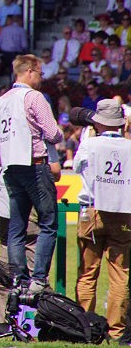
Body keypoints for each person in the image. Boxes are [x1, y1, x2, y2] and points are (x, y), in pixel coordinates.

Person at [0, 54, 63, 295]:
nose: (41, 78)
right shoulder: (34, 97)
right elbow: (52, 133)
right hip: (34, 164)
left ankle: (18, 278)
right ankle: (39, 278)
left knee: (16, 226)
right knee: (48, 223)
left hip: (10, 166)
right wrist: (60, 135)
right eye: (40, 73)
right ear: (30, 71)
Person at [73, 99, 131, 339]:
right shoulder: (129, 146)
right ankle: (117, 329)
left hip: (93, 210)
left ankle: (85, 326)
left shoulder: (90, 143)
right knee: (120, 274)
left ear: (98, 122)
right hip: (123, 212)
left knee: (88, 272)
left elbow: (76, 167)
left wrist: (87, 136)